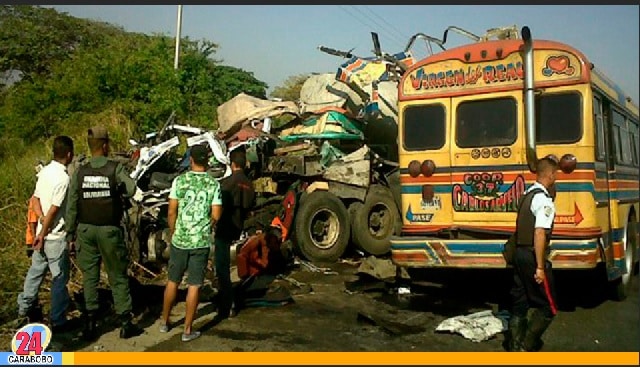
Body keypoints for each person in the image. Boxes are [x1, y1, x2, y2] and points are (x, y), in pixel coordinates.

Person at [65, 126, 142, 340]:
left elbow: (72, 205)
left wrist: (70, 235)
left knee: (89, 277)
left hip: (85, 230)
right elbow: (132, 189)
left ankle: (90, 323)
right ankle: (125, 323)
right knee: (117, 275)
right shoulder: (114, 169)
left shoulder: (80, 172)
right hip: (109, 230)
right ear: (106, 146)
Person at [159, 144, 222, 342]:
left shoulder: (179, 181)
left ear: (191, 160)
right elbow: (216, 214)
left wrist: (173, 230)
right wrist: (206, 225)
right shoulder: (214, 184)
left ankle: (164, 322)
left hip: (180, 240)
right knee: (195, 284)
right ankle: (187, 330)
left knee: (173, 281)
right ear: (207, 161)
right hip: (200, 241)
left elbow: (171, 211)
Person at [17, 136, 74, 333]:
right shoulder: (63, 178)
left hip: (41, 234)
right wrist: (44, 231)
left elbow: (34, 201)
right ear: (69, 154)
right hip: (54, 237)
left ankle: (24, 309)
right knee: (59, 279)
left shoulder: (45, 172)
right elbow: (54, 210)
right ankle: (58, 320)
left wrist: (39, 225)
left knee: (35, 274)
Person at [507, 157, 559, 352]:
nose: (556, 179)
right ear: (550, 175)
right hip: (531, 256)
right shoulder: (543, 200)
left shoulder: (527, 194)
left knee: (520, 303)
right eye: (556, 176)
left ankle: (514, 346)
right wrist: (539, 267)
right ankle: (527, 346)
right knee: (548, 307)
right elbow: (539, 232)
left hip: (519, 254)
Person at [213, 148, 255, 321]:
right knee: (231, 267)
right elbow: (249, 207)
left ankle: (227, 303)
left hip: (224, 227)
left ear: (232, 164)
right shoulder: (249, 184)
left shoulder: (226, 183)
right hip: (239, 227)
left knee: (222, 267)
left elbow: (218, 206)